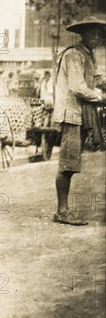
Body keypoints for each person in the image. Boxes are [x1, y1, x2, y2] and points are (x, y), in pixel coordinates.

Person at [53, 16, 106, 226]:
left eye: (99, 34)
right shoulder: (74, 54)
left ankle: (63, 209)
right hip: (71, 114)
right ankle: (62, 211)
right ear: (83, 34)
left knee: (72, 162)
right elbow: (78, 86)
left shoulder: (88, 54)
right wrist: (100, 96)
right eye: (92, 33)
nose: (96, 37)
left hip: (81, 113)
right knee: (67, 163)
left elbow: (97, 79)